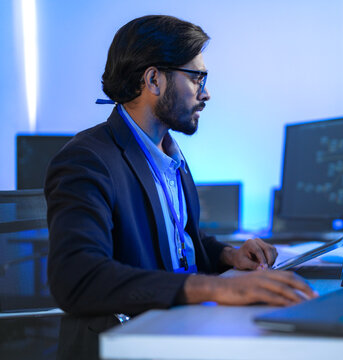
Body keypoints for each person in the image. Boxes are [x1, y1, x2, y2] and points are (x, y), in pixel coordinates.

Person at [45, 15, 316, 356]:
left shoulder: (168, 151)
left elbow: (181, 237)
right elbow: (77, 277)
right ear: (154, 79)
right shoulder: (88, 160)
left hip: (182, 326)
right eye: (196, 78)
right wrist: (215, 289)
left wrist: (228, 256)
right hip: (126, 343)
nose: (206, 93)